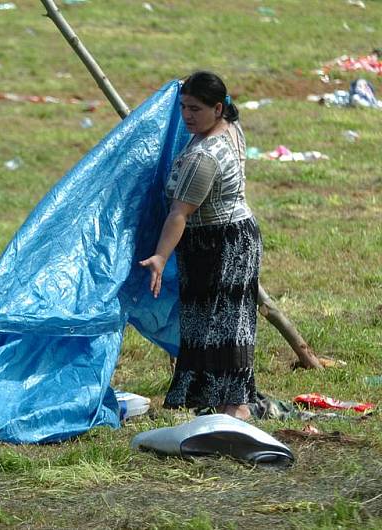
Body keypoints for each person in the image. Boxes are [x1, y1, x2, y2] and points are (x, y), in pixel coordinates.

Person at [139, 71, 262, 421]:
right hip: (222, 238)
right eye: (182, 107)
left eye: (195, 108)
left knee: (227, 326)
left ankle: (235, 407)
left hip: (223, 244)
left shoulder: (204, 156)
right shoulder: (228, 127)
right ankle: (218, 402)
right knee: (208, 325)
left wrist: (160, 257)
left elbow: (179, 213)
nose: (187, 116)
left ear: (217, 108)